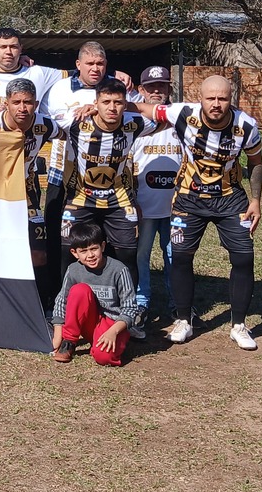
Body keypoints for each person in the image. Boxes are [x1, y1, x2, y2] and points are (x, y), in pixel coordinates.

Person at [131, 75, 262, 350]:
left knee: (243, 258)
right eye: (210, 98)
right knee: (180, 257)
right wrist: (102, 106)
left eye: (223, 98)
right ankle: (183, 320)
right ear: (200, 98)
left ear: (231, 99)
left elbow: (256, 162)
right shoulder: (183, 113)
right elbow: (145, 108)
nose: (216, 104)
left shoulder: (246, 125)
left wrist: (256, 200)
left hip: (230, 199)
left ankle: (239, 325)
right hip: (190, 199)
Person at [55, 78, 158, 327]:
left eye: (118, 102)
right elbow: (39, 119)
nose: (112, 107)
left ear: (126, 104)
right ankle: (65, 311)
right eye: (106, 102)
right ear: (95, 103)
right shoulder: (76, 122)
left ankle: (128, 315)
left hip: (119, 200)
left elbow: (164, 116)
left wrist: (132, 106)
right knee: (67, 252)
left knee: (127, 256)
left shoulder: (134, 123)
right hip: (81, 198)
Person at [43, 41, 140, 301]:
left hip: (113, 180)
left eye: (100, 64)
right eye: (90, 64)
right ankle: (61, 300)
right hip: (65, 175)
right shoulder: (61, 88)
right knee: (66, 242)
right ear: (78, 65)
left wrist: (101, 106)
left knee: (110, 244)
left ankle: (114, 298)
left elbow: (139, 111)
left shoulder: (118, 87)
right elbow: (56, 122)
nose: (95, 69)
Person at [0, 79, 63, 277]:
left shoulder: (46, 124)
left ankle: (41, 303)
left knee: (38, 254)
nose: (22, 108)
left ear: (36, 104)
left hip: (26, 191)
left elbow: (71, 132)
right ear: (6, 103)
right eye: (16, 102)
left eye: (28, 102)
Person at [129, 66, 184, 325]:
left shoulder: (182, 118)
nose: (156, 91)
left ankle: (178, 304)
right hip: (144, 205)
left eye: (161, 86)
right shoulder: (133, 121)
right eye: (151, 87)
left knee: (175, 254)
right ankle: (142, 302)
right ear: (141, 90)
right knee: (141, 255)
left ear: (169, 88)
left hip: (176, 204)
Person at [51, 221, 138, 367]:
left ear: (102, 247)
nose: (90, 255)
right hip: (89, 321)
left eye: (94, 249)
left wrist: (114, 332)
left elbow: (130, 308)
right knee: (79, 290)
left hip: (113, 324)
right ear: (74, 253)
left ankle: (106, 344)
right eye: (83, 251)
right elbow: (62, 300)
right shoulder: (73, 270)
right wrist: (58, 336)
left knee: (104, 358)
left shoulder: (119, 270)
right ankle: (70, 341)